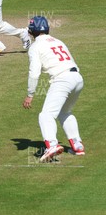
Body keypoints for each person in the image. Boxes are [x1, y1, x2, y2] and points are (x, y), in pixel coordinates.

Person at [22, 16, 85, 162]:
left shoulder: (35, 47)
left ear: (32, 32)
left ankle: (52, 145)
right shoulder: (58, 41)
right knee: (65, 112)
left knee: (46, 115)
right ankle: (77, 145)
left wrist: (30, 94)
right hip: (77, 78)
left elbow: (34, 73)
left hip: (62, 80)